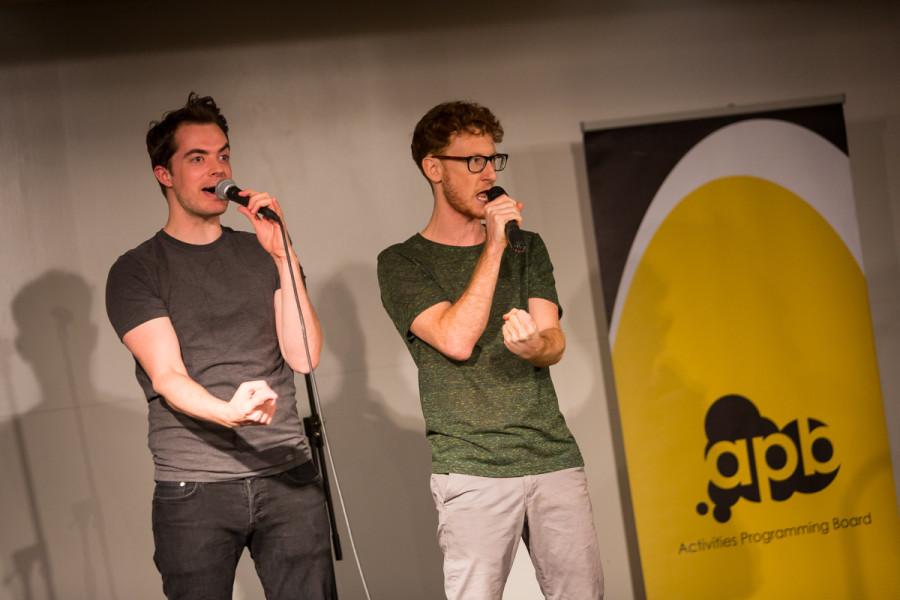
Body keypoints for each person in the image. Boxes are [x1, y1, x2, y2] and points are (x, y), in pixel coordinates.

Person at [105, 93, 334, 599]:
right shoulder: (137, 269)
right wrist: (229, 412)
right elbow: (167, 376)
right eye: (198, 158)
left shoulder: (261, 252)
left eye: (223, 155)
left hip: (288, 476)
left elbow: (304, 357)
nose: (217, 169)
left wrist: (282, 256)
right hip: (195, 488)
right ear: (164, 174)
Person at [377, 101, 604, 599]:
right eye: (472, 161)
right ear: (433, 168)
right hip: (472, 468)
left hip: (551, 456)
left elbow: (554, 343)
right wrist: (494, 245)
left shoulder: (530, 246)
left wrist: (534, 344)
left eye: (492, 159)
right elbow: (455, 340)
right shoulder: (402, 262)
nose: (486, 173)